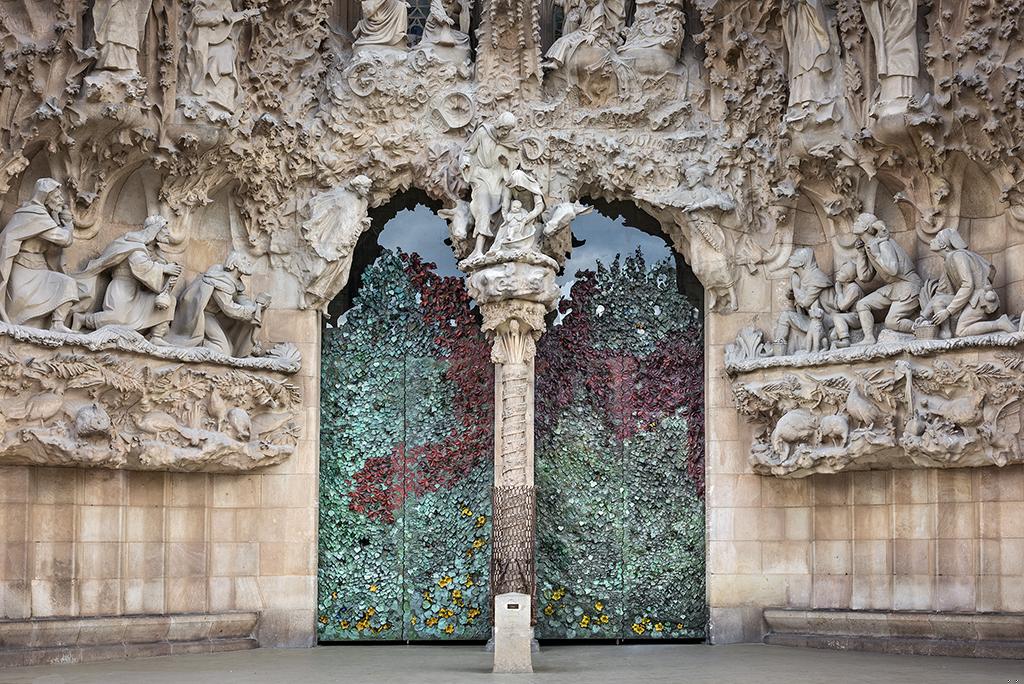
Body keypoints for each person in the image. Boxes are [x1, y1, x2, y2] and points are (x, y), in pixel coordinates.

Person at [71, 215, 182, 341]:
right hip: (122, 286)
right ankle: (82, 319)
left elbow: (153, 268)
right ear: (155, 229)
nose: (168, 232)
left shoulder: (152, 250)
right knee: (117, 318)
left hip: (138, 292)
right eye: (164, 229)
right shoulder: (132, 243)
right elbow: (141, 265)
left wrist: (169, 274)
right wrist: (164, 269)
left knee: (171, 300)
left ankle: (156, 336)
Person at [0, 178, 78, 332]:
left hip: (39, 268)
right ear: (45, 197)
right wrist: (69, 226)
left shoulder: (45, 216)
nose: (61, 200)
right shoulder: (34, 215)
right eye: (57, 197)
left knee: (68, 283)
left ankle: (57, 324)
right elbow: (64, 239)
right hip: (23, 270)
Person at [164, 251, 270, 357]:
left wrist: (254, 306)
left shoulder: (234, 281)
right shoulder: (220, 280)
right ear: (235, 263)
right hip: (200, 315)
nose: (248, 262)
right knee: (224, 351)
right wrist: (253, 310)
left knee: (229, 349)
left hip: (210, 316)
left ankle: (201, 346)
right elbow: (229, 309)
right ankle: (198, 348)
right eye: (244, 260)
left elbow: (241, 297)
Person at [923, 227, 1016, 337]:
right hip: (970, 300)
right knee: (939, 301)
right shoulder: (947, 261)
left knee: (961, 331)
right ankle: (946, 333)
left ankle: (1000, 324)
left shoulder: (958, 255)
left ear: (944, 245)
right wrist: (923, 316)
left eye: (936, 238)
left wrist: (948, 312)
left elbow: (968, 285)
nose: (932, 240)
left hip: (980, 299)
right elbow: (940, 293)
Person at [851, 212, 921, 344]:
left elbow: (893, 270)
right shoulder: (870, 246)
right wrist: (861, 254)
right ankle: (869, 338)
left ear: (866, 227)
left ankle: (921, 329)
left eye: (859, 221)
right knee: (862, 304)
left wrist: (877, 254)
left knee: (891, 321)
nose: (855, 223)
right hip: (895, 287)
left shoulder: (884, 244)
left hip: (908, 286)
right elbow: (864, 277)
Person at [460, 113, 519, 258]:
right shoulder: (483, 132)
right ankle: (478, 250)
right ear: (498, 125)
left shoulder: (511, 141)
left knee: (505, 211)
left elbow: (514, 162)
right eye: (504, 129)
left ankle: (498, 246)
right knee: (483, 208)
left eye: (508, 130)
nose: (505, 133)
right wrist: (465, 161)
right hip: (481, 177)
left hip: (499, 179)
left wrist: (507, 164)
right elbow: (468, 151)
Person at [188, 0, 261, 111]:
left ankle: (222, 100)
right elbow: (198, 16)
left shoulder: (226, 2)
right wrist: (219, 15)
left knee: (227, 51)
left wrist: (240, 21)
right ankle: (210, 95)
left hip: (222, 40)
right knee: (220, 54)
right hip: (205, 40)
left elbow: (228, 25)